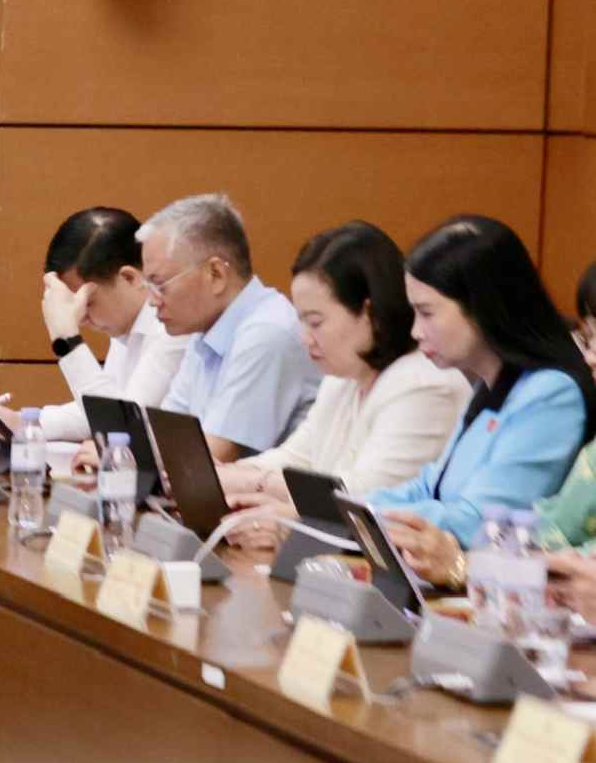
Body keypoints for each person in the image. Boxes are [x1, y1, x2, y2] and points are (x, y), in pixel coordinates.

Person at [364, 216, 596, 585]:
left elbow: (481, 522)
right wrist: (354, 508)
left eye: (427, 313)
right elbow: (431, 485)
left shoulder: (552, 392)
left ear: (483, 306)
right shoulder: (493, 382)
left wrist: (365, 515)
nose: (415, 331)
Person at [213, 224, 469, 544]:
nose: (306, 338)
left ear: (368, 312)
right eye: (301, 320)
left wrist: (252, 482)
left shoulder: (425, 384)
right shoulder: (344, 377)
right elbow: (298, 455)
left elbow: (364, 494)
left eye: (316, 322)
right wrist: (224, 476)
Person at [139, 194, 322, 461]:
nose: (152, 301)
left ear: (216, 274)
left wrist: (130, 456)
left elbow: (211, 457)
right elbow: (168, 432)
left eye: (160, 284)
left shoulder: (267, 332)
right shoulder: (205, 330)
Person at [28, 206, 189, 443]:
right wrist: (23, 423)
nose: (80, 318)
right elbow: (102, 408)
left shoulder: (175, 328)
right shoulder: (128, 327)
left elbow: (122, 429)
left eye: (88, 302)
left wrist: (67, 339)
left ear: (130, 278)